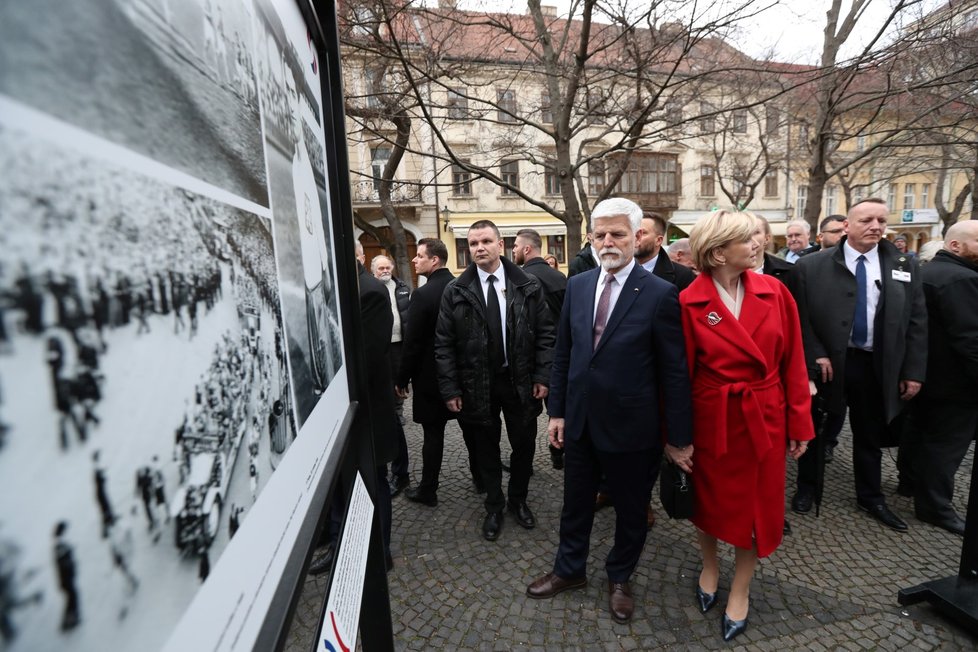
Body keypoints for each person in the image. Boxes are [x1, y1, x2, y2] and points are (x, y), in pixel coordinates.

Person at [525, 198, 692, 624]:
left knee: (632, 508)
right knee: (575, 503)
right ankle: (569, 570)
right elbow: (565, 352)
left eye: (616, 233)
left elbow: (674, 371)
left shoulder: (659, 293)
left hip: (633, 425)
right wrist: (557, 412)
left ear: (637, 236)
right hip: (580, 420)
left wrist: (678, 436)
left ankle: (620, 576)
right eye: (599, 234)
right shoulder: (578, 285)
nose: (607, 242)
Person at [681, 210, 813, 642]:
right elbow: (679, 373)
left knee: (757, 506)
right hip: (713, 417)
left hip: (765, 416)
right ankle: (709, 565)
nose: (758, 244)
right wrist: (676, 437)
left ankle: (741, 589)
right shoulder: (689, 301)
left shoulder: (776, 292)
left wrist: (800, 423)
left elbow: (793, 360)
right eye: (746, 240)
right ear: (718, 253)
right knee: (709, 500)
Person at [793, 198, 927, 532]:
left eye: (881, 220)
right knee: (817, 429)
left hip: (875, 364)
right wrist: (815, 353)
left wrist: (912, 370)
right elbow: (799, 317)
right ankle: (807, 487)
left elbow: (917, 320)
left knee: (870, 434)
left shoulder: (902, 264)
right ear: (847, 225)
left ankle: (870, 496)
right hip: (829, 365)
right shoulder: (813, 265)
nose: (876, 226)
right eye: (867, 220)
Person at [435, 220, 555, 541]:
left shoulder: (527, 284)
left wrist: (543, 375)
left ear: (501, 245)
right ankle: (494, 504)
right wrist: (450, 388)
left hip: (520, 382)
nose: (479, 248)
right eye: (473, 243)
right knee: (485, 448)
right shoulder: (456, 290)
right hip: (477, 384)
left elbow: (545, 334)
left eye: (486, 241)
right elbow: (444, 344)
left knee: (524, 444)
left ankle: (518, 499)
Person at [903, 222, 978, 535]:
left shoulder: (927, 272)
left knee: (918, 434)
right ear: (957, 245)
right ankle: (934, 506)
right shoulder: (963, 279)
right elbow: (971, 339)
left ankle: (908, 483)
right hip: (955, 383)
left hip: (922, 375)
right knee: (945, 446)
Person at [396, 239, 471, 506]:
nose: (414, 260)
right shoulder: (464, 286)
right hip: (463, 374)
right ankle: (483, 480)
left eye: (419, 256)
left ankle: (428, 489)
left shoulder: (424, 294)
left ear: (434, 260)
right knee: (472, 431)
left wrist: (401, 377)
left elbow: (412, 341)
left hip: (430, 376)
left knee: (433, 434)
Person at [513, 229, 567, 470]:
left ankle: (525, 462)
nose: (512, 250)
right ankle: (559, 452)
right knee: (561, 411)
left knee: (528, 416)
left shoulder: (520, 279)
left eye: (515, 246)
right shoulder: (560, 278)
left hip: (533, 358)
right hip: (562, 354)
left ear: (527, 249)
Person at [357, 255, 399, 568]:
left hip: (369, 406)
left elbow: (368, 357)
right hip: (350, 410)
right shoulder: (342, 286)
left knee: (375, 478)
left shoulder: (369, 291)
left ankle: (379, 551)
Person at [370, 254, 412, 498]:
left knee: (394, 411)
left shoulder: (403, 289)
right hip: (381, 350)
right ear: (373, 270)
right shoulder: (371, 289)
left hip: (398, 349)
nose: (385, 270)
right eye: (380, 267)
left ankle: (399, 471)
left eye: (388, 267)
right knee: (391, 414)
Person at [53, 521, 79, 631]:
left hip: (66, 579)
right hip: (66, 580)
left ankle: (70, 620)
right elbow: (64, 563)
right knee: (72, 598)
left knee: (71, 599)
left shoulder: (60, 544)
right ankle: (68, 621)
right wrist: (70, 564)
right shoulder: (60, 545)